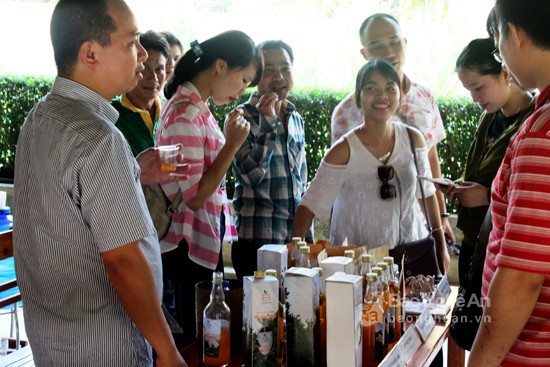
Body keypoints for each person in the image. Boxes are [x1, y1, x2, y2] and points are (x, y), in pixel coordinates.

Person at [12, 0, 187, 366]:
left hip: (53, 342)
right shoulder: (98, 137)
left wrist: (133, 173)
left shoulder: (39, 117)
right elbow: (122, 261)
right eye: (131, 42)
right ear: (91, 53)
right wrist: (168, 351)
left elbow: (64, 214)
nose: (142, 54)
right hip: (104, 347)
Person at [292, 60, 450, 275]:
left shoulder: (414, 140)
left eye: (389, 88)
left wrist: (440, 244)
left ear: (399, 95)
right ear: (357, 97)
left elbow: (428, 194)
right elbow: (309, 204)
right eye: (371, 88)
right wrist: (294, 259)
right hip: (359, 265)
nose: (381, 95)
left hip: (410, 258)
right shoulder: (344, 151)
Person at [154, 30, 261, 346]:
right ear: (221, 65)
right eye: (243, 79)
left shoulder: (195, 108)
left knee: (204, 335)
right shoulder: (186, 112)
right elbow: (196, 196)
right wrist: (232, 145)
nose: (242, 90)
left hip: (197, 243)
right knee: (194, 339)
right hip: (186, 245)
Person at [467, 0, 550, 365]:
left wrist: (480, 361)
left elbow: (520, 277)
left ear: (514, 35)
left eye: (497, 42)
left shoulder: (541, 133)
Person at [330, 13, 455, 248]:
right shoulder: (345, 113)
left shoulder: (425, 98)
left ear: (405, 44)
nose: (388, 51)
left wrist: (442, 219)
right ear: (364, 54)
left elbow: (430, 159)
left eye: (394, 42)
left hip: (414, 232)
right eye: (377, 45)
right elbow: (336, 180)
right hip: (363, 236)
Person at [443, 37, 535, 351]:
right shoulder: (490, 117)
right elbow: (484, 174)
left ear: (506, 74)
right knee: (468, 331)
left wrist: (484, 197)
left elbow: (525, 197)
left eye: (478, 87)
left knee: (490, 333)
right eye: (468, 89)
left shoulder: (533, 123)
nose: (473, 97)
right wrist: (461, 186)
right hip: (475, 241)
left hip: (501, 249)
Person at [228, 40, 310, 280]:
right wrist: (269, 121)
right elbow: (252, 175)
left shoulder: (295, 117)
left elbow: (300, 182)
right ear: (254, 77)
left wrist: (307, 236)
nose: (279, 76)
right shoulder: (240, 117)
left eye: (285, 68)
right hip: (255, 245)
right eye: (269, 70)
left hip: (292, 244)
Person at [112, 30, 169, 156]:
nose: (153, 78)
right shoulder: (112, 115)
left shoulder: (171, 111)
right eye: (145, 68)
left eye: (159, 69)